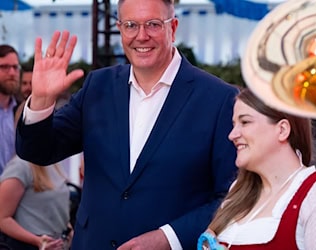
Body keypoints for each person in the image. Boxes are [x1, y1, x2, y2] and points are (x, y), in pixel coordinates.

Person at [15, 0, 238, 249]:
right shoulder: (97, 87)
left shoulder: (218, 99)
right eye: (131, 25)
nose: (141, 36)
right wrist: (41, 102)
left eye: (153, 24)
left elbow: (233, 196)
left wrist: (169, 237)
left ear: (172, 28)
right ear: (120, 28)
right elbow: (37, 151)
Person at [198, 88, 316, 249]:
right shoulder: (238, 189)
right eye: (234, 124)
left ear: (282, 130)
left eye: (245, 122)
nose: (232, 134)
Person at [0, 102, 72, 250]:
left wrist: (68, 229)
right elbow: (2, 218)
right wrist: (37, 241)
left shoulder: (53, 163)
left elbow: (57, 207)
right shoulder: (19, 167)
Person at [0, 44, 21, 175]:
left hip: (17, 190)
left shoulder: (21, 111)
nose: (12, 73)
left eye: (15, 67)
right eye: (4, 67)